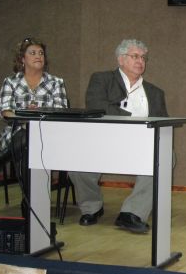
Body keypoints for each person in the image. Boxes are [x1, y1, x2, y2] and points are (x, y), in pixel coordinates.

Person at [69, 39, 168, 234]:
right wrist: (133, 119)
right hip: (104, 141)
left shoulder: (155, 93)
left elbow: (163, 122)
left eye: (143, 58)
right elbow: (96, 105)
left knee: (165, 155)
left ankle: (131, 213)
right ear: (121, 59)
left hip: (141, 145)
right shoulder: (102, 79)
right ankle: (92, 207)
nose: (141, 61)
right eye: (135, 56)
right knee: (76, 159)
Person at [0, 37, 69, 178]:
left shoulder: (56, 82)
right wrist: (26, 117)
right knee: (28, 137)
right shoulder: (11, 82)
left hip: (47, 133)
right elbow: (5, 112)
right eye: (33, 53)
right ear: (22, 59)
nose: (38, 56)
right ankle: (31, 193)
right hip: (15, 132)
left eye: (41, 53)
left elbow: (61, 112)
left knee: (30, 139)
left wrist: (37, 115)